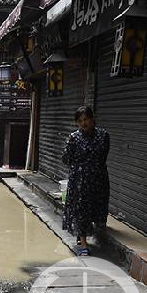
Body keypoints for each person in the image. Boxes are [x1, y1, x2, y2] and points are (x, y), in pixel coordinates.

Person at [62, 106, 110, 256]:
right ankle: (83, 243)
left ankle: (84, 234)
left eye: (86, 119)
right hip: (79, 180)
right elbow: (66, 159)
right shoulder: (74, 138)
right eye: (80, 121)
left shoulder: (103, 135)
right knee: (81, 209)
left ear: (92, 118)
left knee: (98, 206)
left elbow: (104, 155)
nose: (84, 123)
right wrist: (80, 166)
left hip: (99, 177)